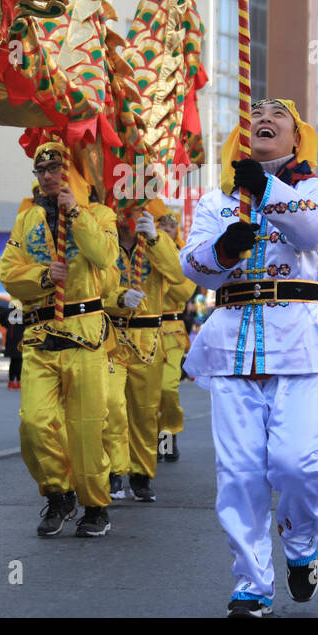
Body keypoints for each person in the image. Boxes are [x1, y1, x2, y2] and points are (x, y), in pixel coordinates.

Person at [180, 98, 318, 618]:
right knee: (240, 474)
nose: (264, 120)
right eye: (255, 117)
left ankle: (300, 550)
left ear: (296, 138)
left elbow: (316, 230)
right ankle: (251, 585)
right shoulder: (217, 201)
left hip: (298, 346)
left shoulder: (314, 189)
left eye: (278, 116)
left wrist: (268, 189)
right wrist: (225, 247)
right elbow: (196, 267)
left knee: (298, 465)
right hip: (231, 348)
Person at [1, 141, 117, 538]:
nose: (48, 175)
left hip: (84, 335)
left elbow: (103, 257)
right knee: (34, 425)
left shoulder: (100, 214)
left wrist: (76, 213)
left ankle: (95, 505)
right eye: (41, 169)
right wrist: (42, 277)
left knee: (86, 429)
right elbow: (7, 272)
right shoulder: (26, 218)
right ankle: (58, 493)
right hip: (40, 335)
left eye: (56, 167)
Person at [103, 205, 184, 502]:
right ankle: (113, 471)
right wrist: (118, 298)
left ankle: (141, 474)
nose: (130, 215)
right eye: (124, 207)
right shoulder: (105, 240)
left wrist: (156, 239)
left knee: (145, 411)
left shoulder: (155, 241)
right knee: (111, 405)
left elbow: (177, 275)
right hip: (111, 333)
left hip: (148, 336)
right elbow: (90, 287)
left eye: (136, 208)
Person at [156, 210, 194, 463]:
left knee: (167, 388)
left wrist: (166, 273)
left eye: (171, 226)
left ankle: (168, 436)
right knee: (142, 394)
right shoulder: (145, 252)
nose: (167, 229)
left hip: (171, 329)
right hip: (142, 329)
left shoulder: (184, 255)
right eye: (162, 224)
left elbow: (184, 292)